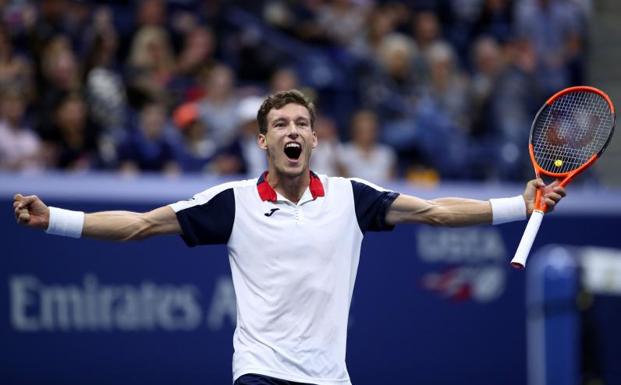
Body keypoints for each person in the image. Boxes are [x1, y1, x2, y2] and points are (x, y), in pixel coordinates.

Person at [13, 89, 566, 385]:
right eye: (281, 125)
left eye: (301, 123)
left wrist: (518, 205)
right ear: (263, 141)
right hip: (260, 375)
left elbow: (439, 212)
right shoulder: (233, 203)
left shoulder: (353, 197)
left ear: (315, 139)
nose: (293, 131)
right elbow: (138, 225)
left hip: (330, 379)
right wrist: (55, 218)